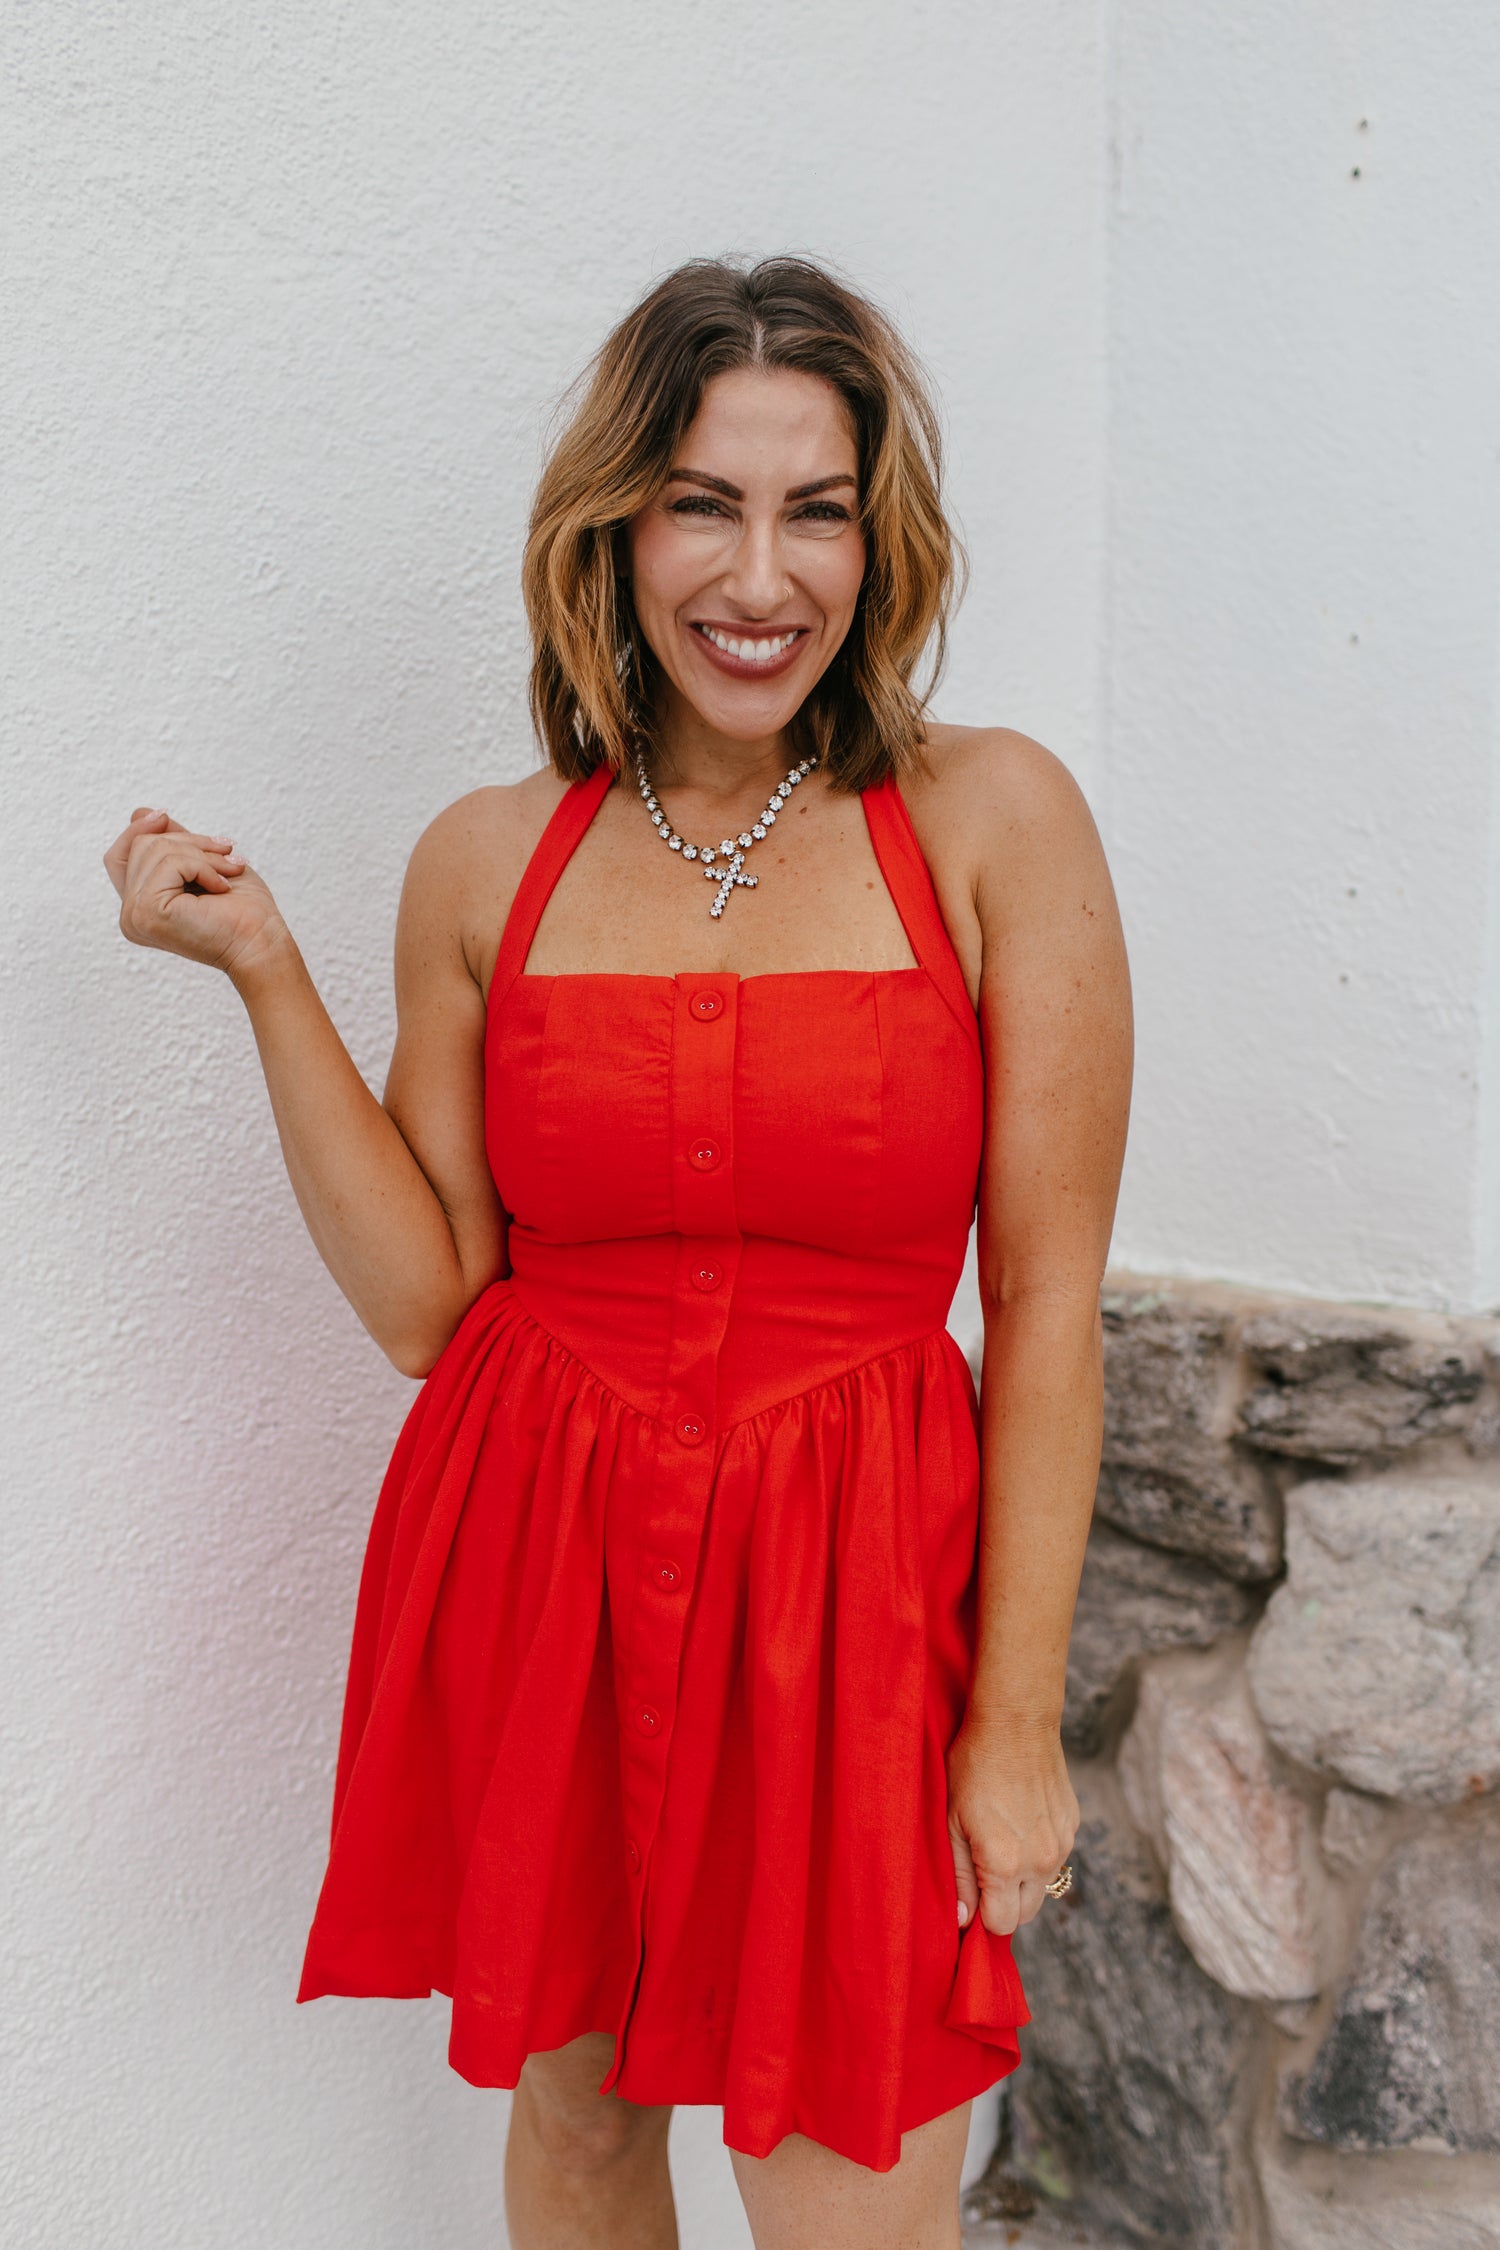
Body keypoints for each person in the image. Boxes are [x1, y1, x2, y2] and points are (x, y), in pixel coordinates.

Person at [103, 255, 1132, 2250]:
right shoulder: (490, 856)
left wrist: (1012, 1724)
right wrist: (265, 972)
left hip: (855, 1592)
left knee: (847, 2175)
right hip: (550, 1566)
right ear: (615, 532)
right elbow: (430, 1304)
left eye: (815, 510)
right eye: (701, 505)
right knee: (577, 2132)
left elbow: (1048, 1306)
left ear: (878, 541)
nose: (761, 576)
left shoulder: (994, 819)